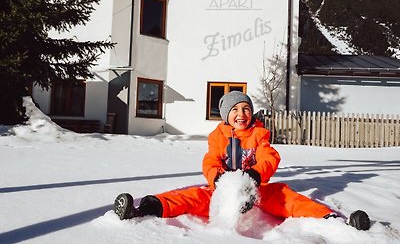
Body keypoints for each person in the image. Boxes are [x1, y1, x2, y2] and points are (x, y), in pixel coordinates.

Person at [113, 91, 370, 230]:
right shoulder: (218, 136)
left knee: (287, 196)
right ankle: (143, 208)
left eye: (245, 108)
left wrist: (256, 176)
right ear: (226, 116)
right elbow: (210, 161)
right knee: (189, 197)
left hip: (256, 191)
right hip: (222, 191)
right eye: (235, 110)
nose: (241, 113)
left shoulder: (259, 134)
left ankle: (334, 220)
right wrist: (218, 178)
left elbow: (270, 156)